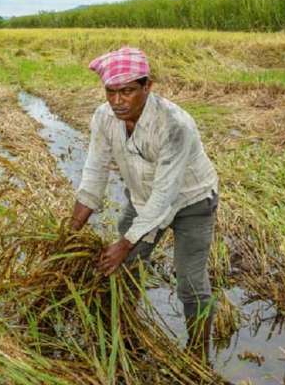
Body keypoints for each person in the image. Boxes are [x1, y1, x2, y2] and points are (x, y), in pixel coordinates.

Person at [69, 47, 219, 361]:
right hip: (143, 199)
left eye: (127, 91)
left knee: (190, 282)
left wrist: (126, 242)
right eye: (111, 92)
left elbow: (165, 196)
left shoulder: (175, 125)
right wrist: (71, 230)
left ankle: (197, 354)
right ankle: (125, 336)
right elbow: (95, 170)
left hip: (192, 201)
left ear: (147, 86)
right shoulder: (103, 118)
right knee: (122, 271)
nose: (117, 101)